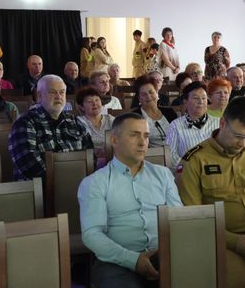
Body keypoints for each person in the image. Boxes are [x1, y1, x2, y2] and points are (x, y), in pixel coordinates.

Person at [178, 97, 245, 288]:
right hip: (221, 242)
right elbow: (194, 218)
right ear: (222, 124)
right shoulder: (195, 160)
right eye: (238, 136)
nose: (244, 144)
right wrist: (233, 241)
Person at [78, 113, 182, 288]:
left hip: (164, 255)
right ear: (114, 140)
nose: (142, 142)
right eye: (134, 135)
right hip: (116, 260)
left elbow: (178, 219)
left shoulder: (163, 174)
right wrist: (133, 260)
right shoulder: (95, 183)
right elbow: (92, 235)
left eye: (146, 136)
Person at [9, 75, 93, 180]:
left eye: (62, 92)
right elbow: (29, 164)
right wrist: (62, 182)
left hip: (78, 183)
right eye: (53, 92)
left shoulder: (75, 122)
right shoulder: (24, 122)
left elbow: (90, 155)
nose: (58, 97)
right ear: (39, 95)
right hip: (39, 187)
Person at [165, 81, 220, 168]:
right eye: (196, 98)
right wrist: (192, 169)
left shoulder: (218, 123)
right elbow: (171, 155)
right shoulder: (175, 125)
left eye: (204, 98)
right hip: (187, 172)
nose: (200, 102)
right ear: (185, 101)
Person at [132, 75, 177, 147]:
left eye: (151, 92)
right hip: (151, 153)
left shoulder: (169, 112)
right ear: (139, 98)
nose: (148, 96)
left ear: (157, 93)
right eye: (144, 94)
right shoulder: (135, 117)